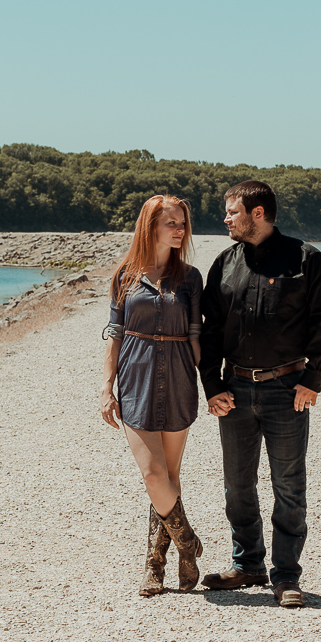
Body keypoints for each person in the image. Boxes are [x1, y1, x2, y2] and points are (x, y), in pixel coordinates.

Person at [198, 180, 321, 608]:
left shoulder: (308, 261)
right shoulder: (224, 263)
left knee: (289, 487)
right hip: (235, 390)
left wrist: (313, 381)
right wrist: (213, 385)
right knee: (237, 487)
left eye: (232, 212)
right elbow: (211, 331)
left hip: (286, 390)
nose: (226, 219)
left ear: (257, 213)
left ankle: (287, 576)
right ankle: (248, 565)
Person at [100, 194, 207, 597]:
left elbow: (198, 339)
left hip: (179, 376)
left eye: (183, 223)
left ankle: (155, 566)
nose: (180, 230)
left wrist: (212, 386)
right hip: (136, 379)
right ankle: (187, 543)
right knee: (152, 474)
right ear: (151, 226)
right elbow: (114, 335)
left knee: (170, 478)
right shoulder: (124, 276)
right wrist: (106, 389)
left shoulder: (192, 278)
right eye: (171, 223)